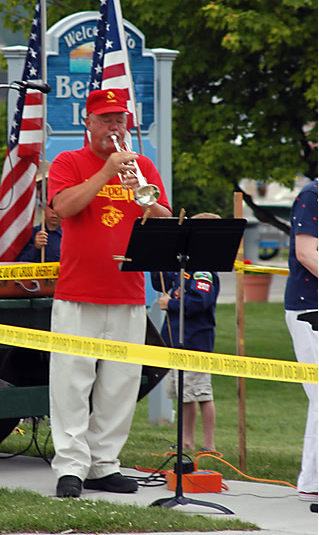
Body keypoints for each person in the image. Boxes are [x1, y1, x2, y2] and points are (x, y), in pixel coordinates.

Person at [47, 88, 172, 498]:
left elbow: (164, 218)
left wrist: (140, 189)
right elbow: (63, 207)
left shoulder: (143, 166)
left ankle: (104, 464)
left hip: (128, 291)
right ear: (88, 122)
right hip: (78, 291)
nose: (114, 127)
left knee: (119, 385)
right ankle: (70, 466)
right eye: (105, 120)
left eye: (120, 120)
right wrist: (106, 173)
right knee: (71, 382)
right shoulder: (69, 162)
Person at [152, 213, 221, 452]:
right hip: (174, 339)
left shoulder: (204, 270)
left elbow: (198, 302)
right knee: (183, 395)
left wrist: (169, 304)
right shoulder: (184, 266)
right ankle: (186, 440)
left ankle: (208, 444)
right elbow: (160, 282)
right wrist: (159, 252)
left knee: (200, 393)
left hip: (196, 340)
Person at [284, 178, 317, 503]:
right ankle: (310, 481)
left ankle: (311, 480)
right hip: (310, 306)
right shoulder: (312, 195)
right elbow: (307, 253)